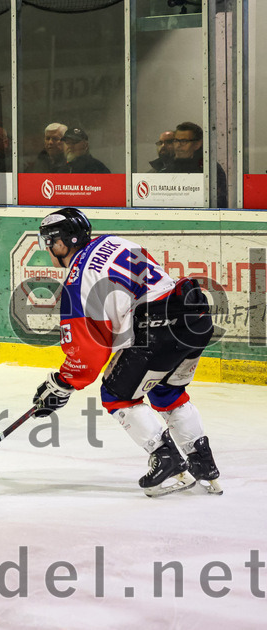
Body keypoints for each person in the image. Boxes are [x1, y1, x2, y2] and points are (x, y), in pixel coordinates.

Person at [32, 207, 221, 497]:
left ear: (62, 243)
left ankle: (166, 459)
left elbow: (89, 352)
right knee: (165, 392)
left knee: (116, 394)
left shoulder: (77, 280)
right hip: (194, 319)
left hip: (160, 329)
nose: (48, 250)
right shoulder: (113, 242)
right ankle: (202, 462)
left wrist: (63, 383)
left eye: (50, 243)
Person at [160, 121, 228, 208]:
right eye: (176, 141)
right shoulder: (165, 168)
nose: (178, 146)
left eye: (184, 141)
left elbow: (219, 203)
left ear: (197, 144)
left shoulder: (210, 169)